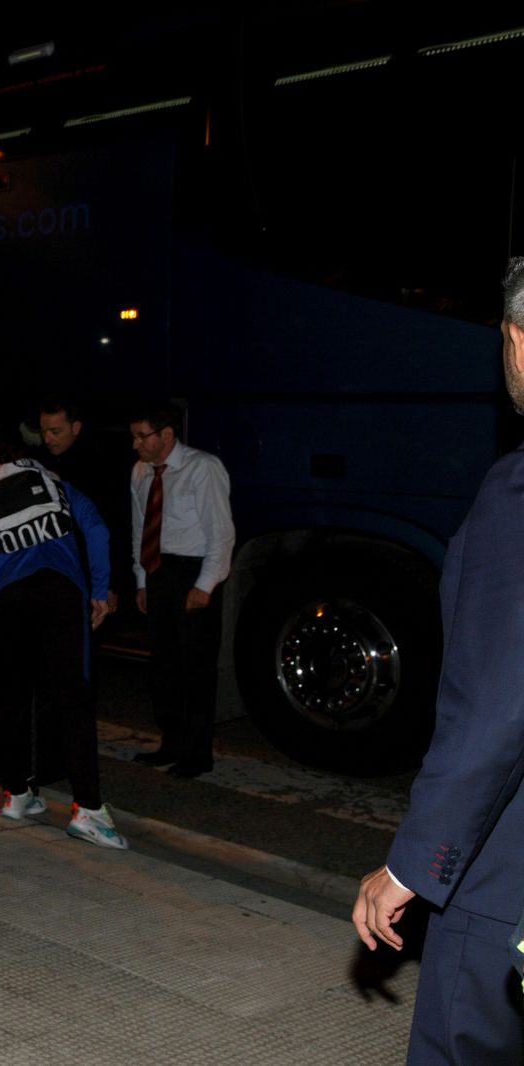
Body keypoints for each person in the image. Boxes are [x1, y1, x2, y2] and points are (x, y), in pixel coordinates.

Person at [352, 257, 524, 1064]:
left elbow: (498, 701)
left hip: (508, 888)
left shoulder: (518, 494)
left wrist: (414, 863)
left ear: (517, 342)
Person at [0, 448, 123, 848]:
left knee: (11, 699)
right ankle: (89, 811)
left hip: (8, 603)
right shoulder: (59, 486)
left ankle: (17, 795)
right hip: (59, 593)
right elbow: (97, 531)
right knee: (72, 699)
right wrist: (98, 590)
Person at [127, 403, 234, 779]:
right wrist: (142, 580)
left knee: (196, 667)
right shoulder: (141, 471)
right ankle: (170, 741)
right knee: (163, 665)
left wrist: (205, 585)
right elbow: (140, 528)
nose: (136, 444)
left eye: (143, 436)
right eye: (134, 436)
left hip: (192, 570)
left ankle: (197, 752)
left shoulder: (202, 468)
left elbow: (221, 532)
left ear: (167, 434)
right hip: (158, 570)